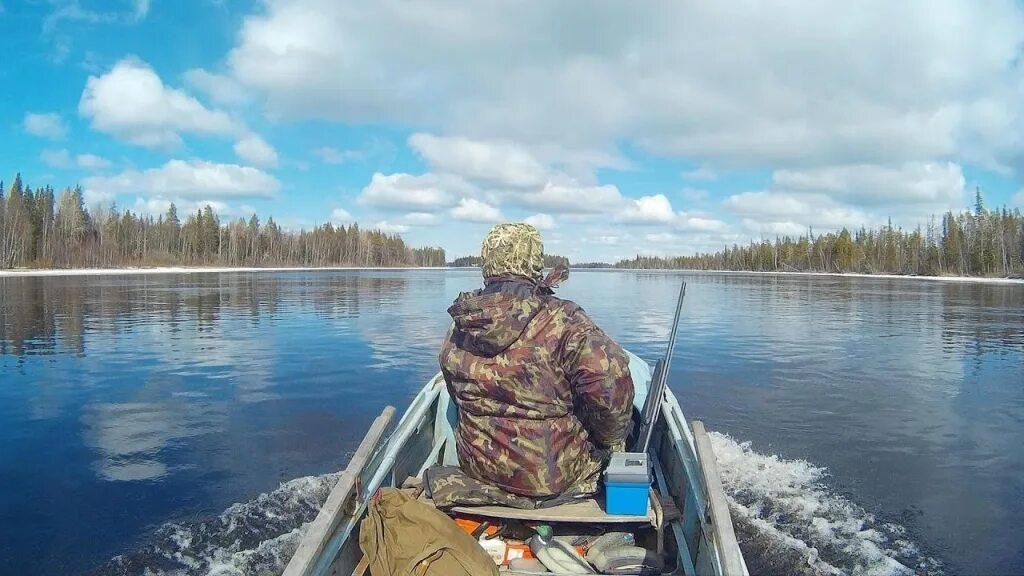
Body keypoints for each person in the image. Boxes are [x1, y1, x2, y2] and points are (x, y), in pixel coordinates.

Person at [438, 223, 635, 500]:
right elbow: (612, 387)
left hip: (478, 471)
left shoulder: (462, 323)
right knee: (624, 425)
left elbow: (454, 390)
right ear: (534, 262)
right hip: (553, 479)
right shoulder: (564, 320)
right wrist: (611, 439)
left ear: (488, 262)